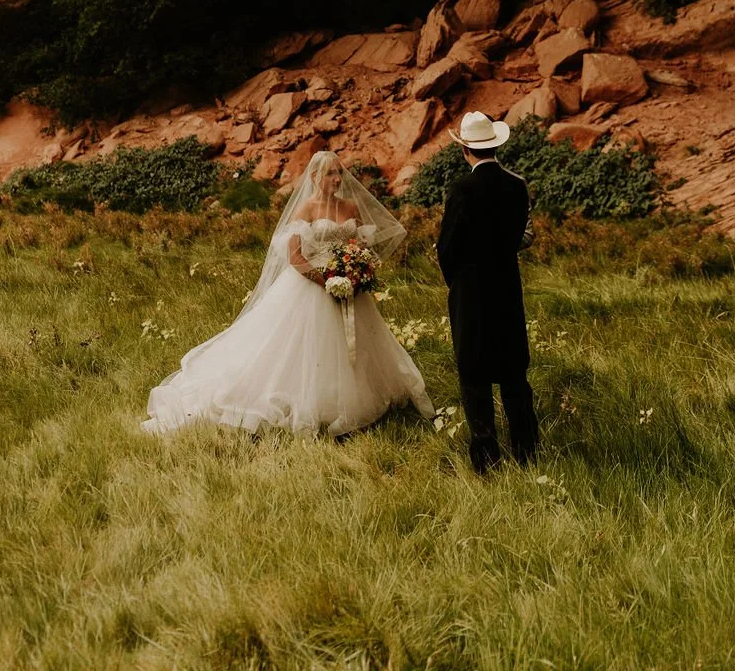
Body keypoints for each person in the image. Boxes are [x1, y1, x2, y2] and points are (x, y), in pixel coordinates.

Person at [143, 150, 434, 435]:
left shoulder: (350, 208)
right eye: (330, 173)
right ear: (315, 177)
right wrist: (328, 281)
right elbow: (295, 257)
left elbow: (359, 246)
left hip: (349, 289)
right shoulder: (306, 209)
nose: (337, 178)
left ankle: (350, 403)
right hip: (312, 287)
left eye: (339, 172)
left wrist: (357, 272)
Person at [436, 110, 539, 474]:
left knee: (474, 373)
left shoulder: (461, 190)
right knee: (513, 371)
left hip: (471, 290)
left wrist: (458, 282)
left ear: (465, 149)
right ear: (495, 145)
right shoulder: (517, 185)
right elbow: (523, 236)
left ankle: (486, 459)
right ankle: (527, 452)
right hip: (507, 287)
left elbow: (446, 247)